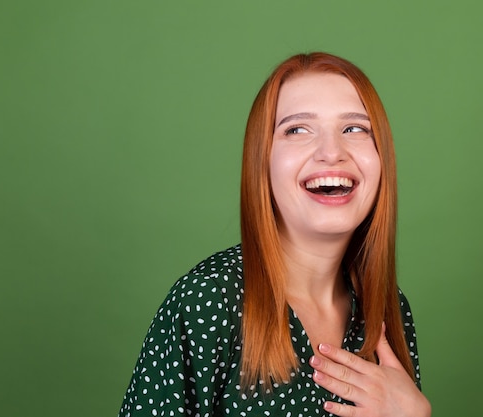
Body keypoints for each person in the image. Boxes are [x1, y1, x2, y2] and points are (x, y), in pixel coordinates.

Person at [118, 52, 431, 417]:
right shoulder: (209, 301)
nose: (332, 152)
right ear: (262, 162)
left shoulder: (389, 309)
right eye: (297, 129)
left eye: (355, 129)